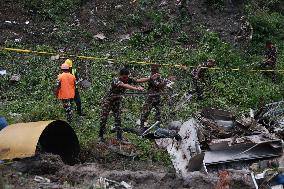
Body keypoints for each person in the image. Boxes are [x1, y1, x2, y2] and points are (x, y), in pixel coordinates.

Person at [99, 68, 158, 143]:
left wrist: (150, 78)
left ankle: (119, 138)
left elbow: (137, 80)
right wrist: (136, 88)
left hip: (117, 102)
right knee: (104, 118)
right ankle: (100, 137)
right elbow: (124, 85)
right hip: (108, 101)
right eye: (124, 77)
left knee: (118, 119)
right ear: (120, 75)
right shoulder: (116, 80)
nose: (126, 79)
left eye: (127, 77)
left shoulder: (127, 79)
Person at [139, 64, 172, 131]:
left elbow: (162, 87)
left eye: (157, 70)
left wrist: (167, 96)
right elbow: (158, 85)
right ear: (153, 70)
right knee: (146, 112)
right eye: (155, 70)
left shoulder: (158, 77)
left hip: (157, 97)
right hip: (151, 98)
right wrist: (166, 81)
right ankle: (141, 126)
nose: (157, 71)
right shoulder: (151, 77)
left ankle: (158, 127)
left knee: (158, 113)